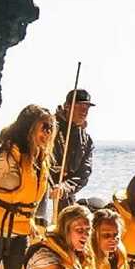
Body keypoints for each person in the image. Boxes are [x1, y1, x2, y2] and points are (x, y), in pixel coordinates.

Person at [0, 105, 55, 269]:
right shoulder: (6, 155)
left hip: (20, 234)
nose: (48, 132)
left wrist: (30, 220)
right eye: (44, 126)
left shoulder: (40, 159)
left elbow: (33, 198)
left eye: (51, 127)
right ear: (29, 127)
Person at [38, 89, 95, 225]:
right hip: (41, 193)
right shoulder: (49, 127)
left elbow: (84, 173)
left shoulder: (86, 140)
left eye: (87, 107)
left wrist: (65, 188)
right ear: (67, 106)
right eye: (80, 106)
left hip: (65, 196)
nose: (84, 111)